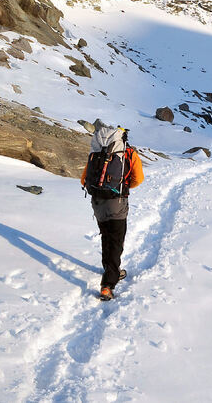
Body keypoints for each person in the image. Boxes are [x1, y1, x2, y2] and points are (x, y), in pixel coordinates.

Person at [81, 126, 144, 301]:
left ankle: (111, 270)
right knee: (116, 241)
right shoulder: (128, 153)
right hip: (117, 203)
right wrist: (121, 188)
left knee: (106, 237)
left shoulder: (96, 152)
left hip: (97, 202)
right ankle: (108, 284)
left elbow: (83, 178)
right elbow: (138, 178)